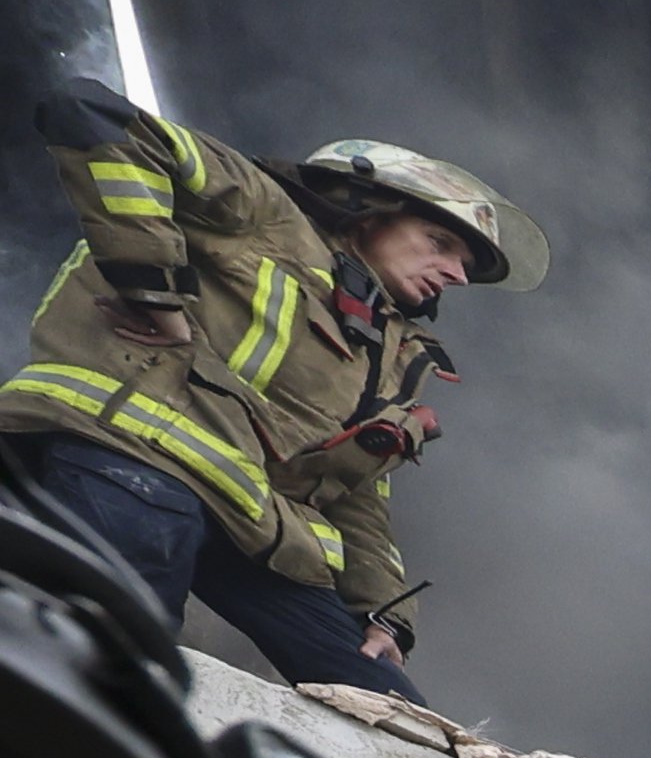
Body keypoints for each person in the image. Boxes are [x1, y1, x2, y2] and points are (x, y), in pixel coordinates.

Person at [0, 93, 541, 687]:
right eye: (440, 242)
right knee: (114, 658)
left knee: (395, 712)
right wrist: (152, 287)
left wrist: (383, 615)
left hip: (252, 522)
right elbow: (97, 119)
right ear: (368, 210)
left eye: (464, 264)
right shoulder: (266, 212)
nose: (457, 275)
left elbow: (355, 496)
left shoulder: (391, 353)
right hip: (130, 456)